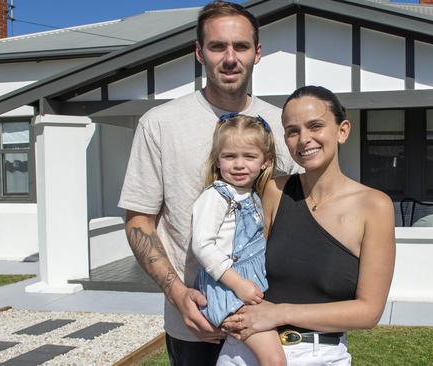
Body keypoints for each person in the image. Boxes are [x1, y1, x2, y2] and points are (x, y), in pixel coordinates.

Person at [118, 2, 298, 365]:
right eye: (218, 46)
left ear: (257, 52)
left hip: (267, 313)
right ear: (199, 52)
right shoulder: (160, 124)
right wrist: (177, 293)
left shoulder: (282, 124)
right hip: (196, 323)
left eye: (241, 46)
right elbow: (140, 221)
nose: (230, 58)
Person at [218, 86, 396, 365]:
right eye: (292, 130)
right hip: (247, 350)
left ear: (343, 130)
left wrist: (281, 313)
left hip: (320, 354)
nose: (304, 139)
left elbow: (369, 311)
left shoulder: (374, 207)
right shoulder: (273, 192)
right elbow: (236, 263)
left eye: (315, 126)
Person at [192, 113, 286, 366]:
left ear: (265, 162)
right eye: (230, 156)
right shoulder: (216, 196)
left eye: (249, 156)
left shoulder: (252, 195)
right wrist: (238, 284)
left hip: (245, 288)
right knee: (274, 360)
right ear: (217, 161)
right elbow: (202, 245)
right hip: (228, 290)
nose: (239, 164)